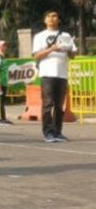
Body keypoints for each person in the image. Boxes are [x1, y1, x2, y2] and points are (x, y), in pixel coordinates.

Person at [32, 9, 77, 143]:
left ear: (59, 20)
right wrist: (52, 49)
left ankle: (58, 132)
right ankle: (48, 133)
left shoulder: (66, 35)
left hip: (62, 74)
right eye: (49, 16)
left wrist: (68, 49)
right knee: (48, 104)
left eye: (55, 16)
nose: (52, 18)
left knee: (59, 105)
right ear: (44, 20)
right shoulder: (39, 36)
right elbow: (36, 55)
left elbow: (73, 55)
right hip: (47, 74)